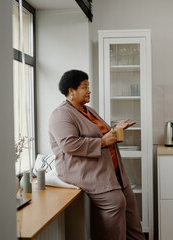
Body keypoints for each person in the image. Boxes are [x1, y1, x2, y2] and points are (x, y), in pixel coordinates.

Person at [48, 69, 145, 240]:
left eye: (88, 86)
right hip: (91, 174)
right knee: (116, 203)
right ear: (71, 91)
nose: (89, 91)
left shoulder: (88, 110)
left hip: (114, 173)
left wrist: (116, 130)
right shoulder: (60, 114)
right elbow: (69, 145)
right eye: (84, 87)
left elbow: (100, 135)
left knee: (131, 212)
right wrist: (102, 142)